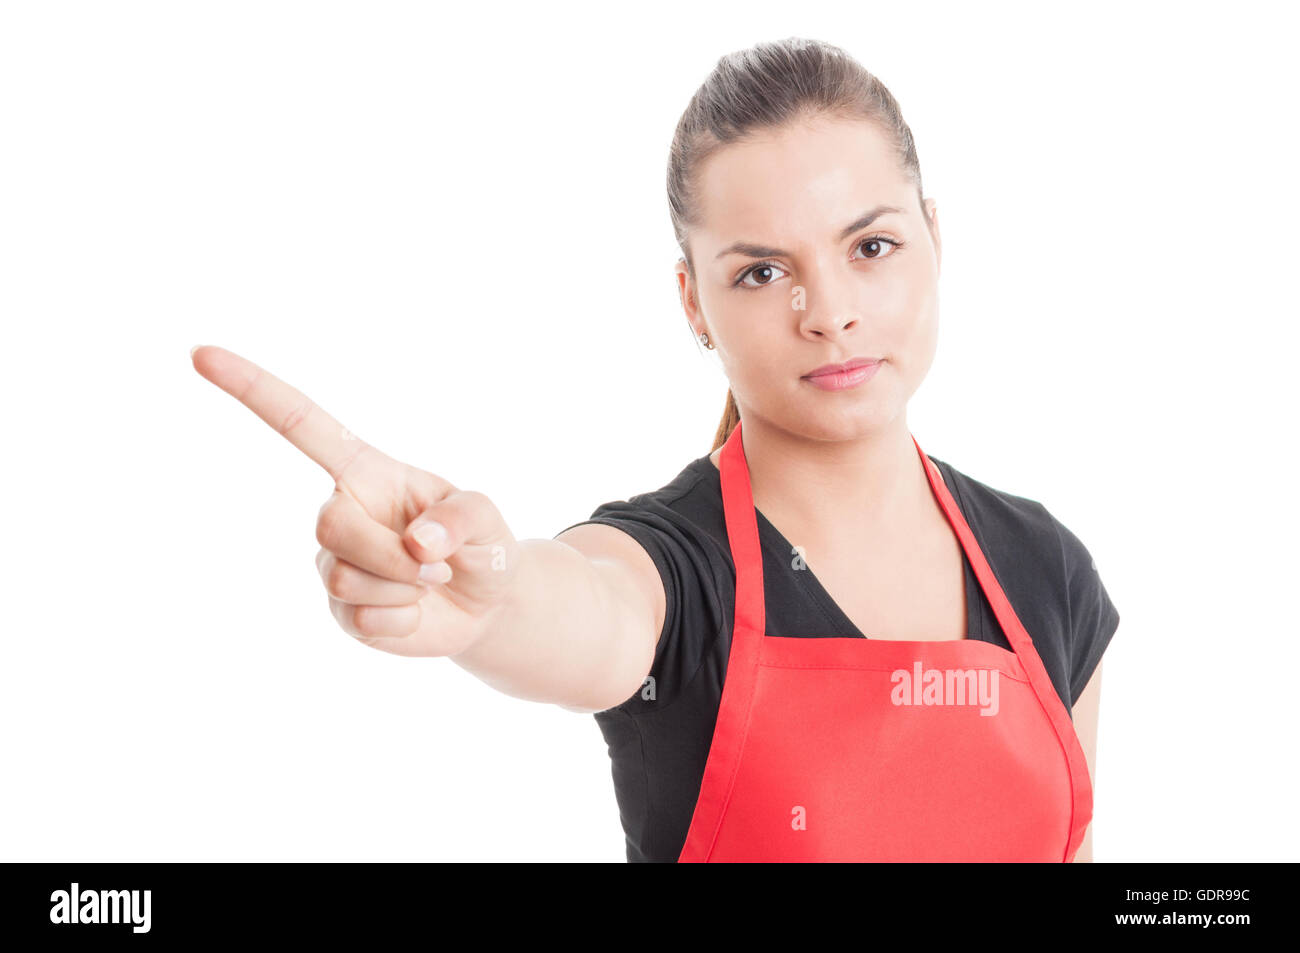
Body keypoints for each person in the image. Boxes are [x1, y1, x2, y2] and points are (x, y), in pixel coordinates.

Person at [191, 36, 1119, 864]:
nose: (830, 311)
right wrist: (488, 594)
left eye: (871, 245)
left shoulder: (1047, 569)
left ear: (934, 239)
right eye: (762, 272)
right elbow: (586, 607)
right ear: (691, 303)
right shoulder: (678, 573)